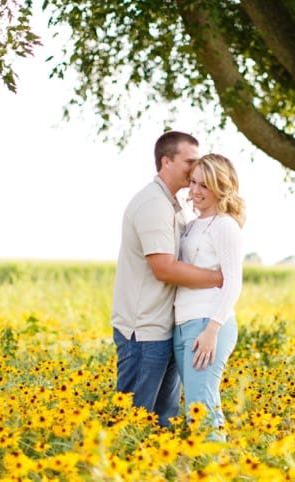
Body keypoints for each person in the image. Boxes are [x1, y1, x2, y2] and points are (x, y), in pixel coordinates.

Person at [111, 131, 224, 428]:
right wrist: (217, 278)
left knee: (162, 423)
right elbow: (164, 268)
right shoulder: (153, 205)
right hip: (143, 334)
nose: (196, 168)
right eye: (190, 161)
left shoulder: (172, 205)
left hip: (163, 330)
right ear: (166, 161)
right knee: (131, 426)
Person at [173, 153, 245, 440]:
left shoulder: (225, 225)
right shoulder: (192, 226)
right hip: (183, 324)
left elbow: (233, 283)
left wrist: (211, 330)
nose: (195, 191)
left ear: (221, 186)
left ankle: (214, 469)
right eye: (193, 183)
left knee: (202, 410)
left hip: (207, 324)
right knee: (196, 407)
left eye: (205, 185)